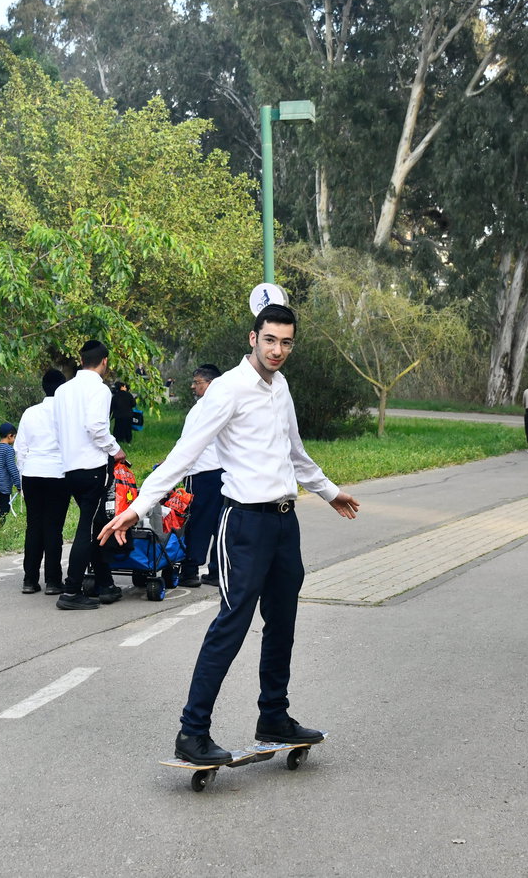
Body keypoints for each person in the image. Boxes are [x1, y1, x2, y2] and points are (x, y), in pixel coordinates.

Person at [98, 304, 361, 766]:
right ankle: (192, 732)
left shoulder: (281, 387)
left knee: (282, 623)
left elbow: (295, 454)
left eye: (286, 342)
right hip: (244, 525)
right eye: (270, 340)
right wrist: (136, 508)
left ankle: (274, 716)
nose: (278, 350)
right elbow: (183, 455)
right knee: (232, 623)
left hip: (285, 524)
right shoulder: (228, 390)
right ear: (253, 338)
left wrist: (329, 492)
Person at [54, 340, 127, 610]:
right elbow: (96, 427)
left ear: (82, 360)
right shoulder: (100, 389)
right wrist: (116, 449)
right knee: (87, 528)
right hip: (93, 469)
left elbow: (58, 428)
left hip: (69, 467)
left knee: (96, 525)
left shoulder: (62, 390)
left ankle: (105, 584)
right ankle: (71, 591)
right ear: (104, 361)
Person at [15, 369, 69, 594]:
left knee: (34, 526)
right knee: (54, 528)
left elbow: (20, 449)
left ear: (43, 387)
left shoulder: (30, 413)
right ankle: (53, 581)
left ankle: (30, 580)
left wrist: (23, 473)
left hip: (32, 474)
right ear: (63, 388)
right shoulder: (68, 414)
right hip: (58, 474)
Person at [176, 364, 224, 587]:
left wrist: (171, 464)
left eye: (198, 382)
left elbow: (187, 443)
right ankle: (216, 572)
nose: (193, 386)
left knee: (197, 524)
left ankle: (190, 571)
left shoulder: (200, 409)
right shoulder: (225, 405)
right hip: (223, 473)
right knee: (220, 524)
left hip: (202, 474)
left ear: (211, 383)